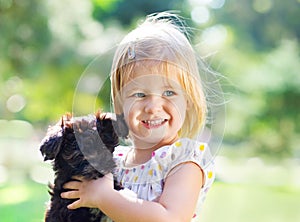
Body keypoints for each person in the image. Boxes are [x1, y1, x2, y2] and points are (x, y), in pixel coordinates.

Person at [61, 12, 215, 222]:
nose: (153, 107)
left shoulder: (184, 161)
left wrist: (105, 198)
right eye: (139, 94)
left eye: (169, 93)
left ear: (188, 99)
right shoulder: (114, 161)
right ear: (120, 102)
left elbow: (169, 218)